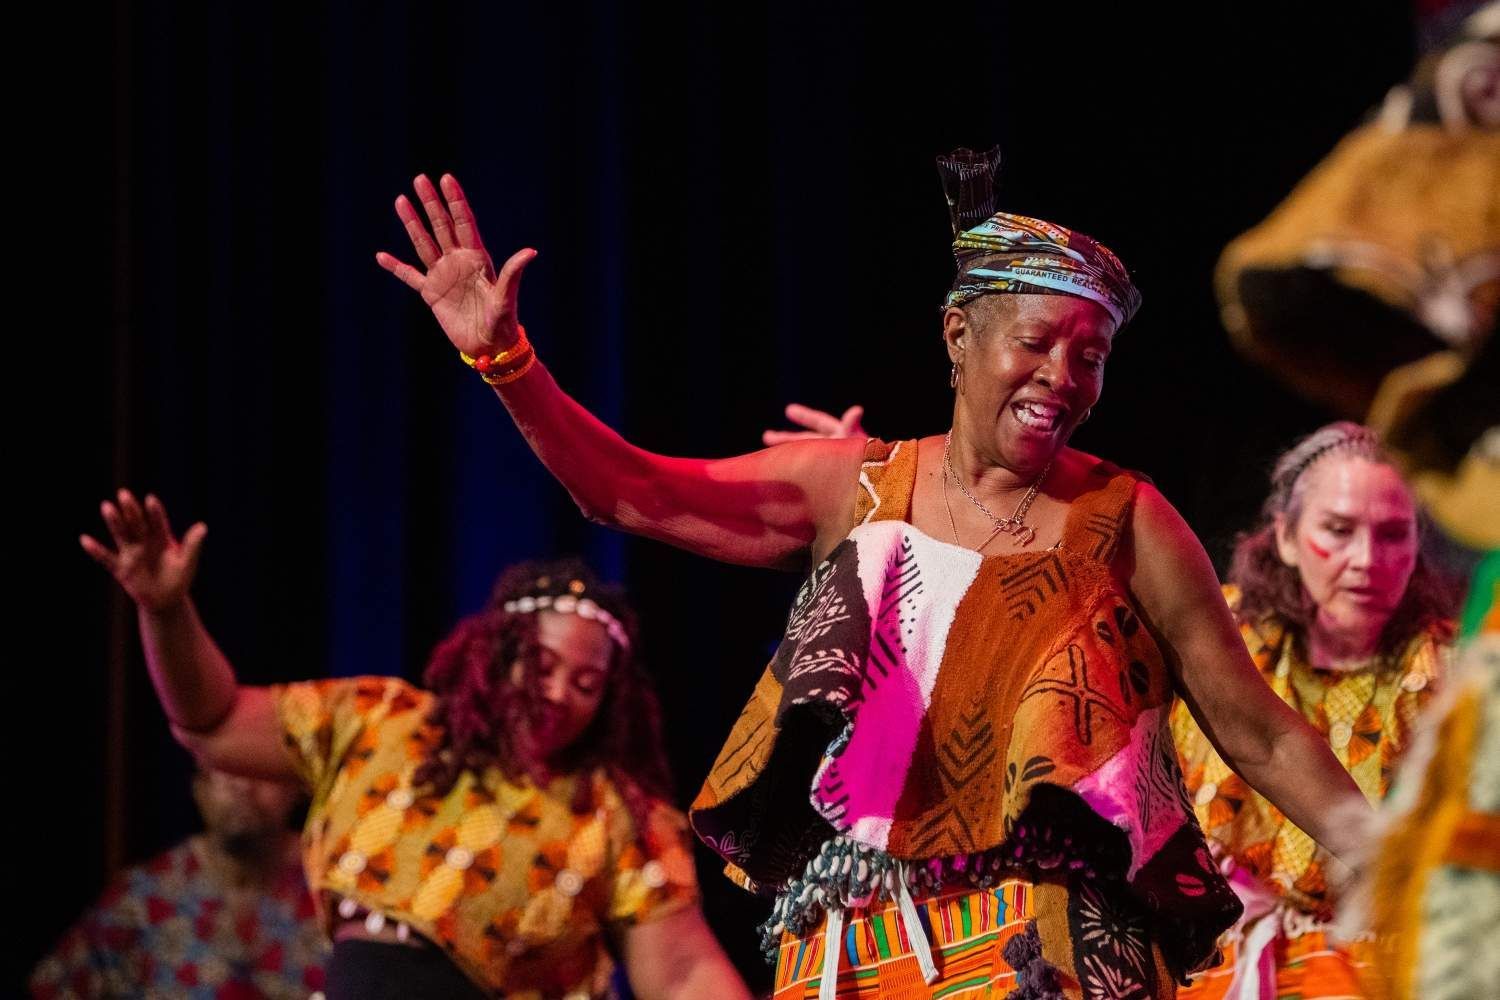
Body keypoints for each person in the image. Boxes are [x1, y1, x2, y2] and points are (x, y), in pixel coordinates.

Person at [374, 150, 1373, 999]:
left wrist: (1381, 851)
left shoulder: (1128, 515)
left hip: (1051, 946)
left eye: (1092, 355)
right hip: (853, 944)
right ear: (957, 337)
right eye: (1037, 342)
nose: (1064, 380)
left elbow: (1256, 725)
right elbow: (628, 491)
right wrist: (508, 359)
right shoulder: (852, 487)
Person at [79, 495, 750, 1000]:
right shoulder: (382, 720)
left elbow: (684, 972)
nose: (559, 693)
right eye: (541, 665)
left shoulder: (613, 810)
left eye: (586, 682)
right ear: (496, 655)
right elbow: (212, 721)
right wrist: (165, 611)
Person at [1167, 423, 1455, 999]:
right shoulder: (1219, 644)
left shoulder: (1457, 675)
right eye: (1338, 530)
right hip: (1217, 964)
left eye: (1393, 533)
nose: (1367, 560)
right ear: (1289, 538)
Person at [29, 769, 325, 1000]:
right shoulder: (144, 898)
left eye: (257, 770)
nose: (241, 786)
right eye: (223, 770)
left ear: (297, 785)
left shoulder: (333, 887)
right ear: (200, 789)